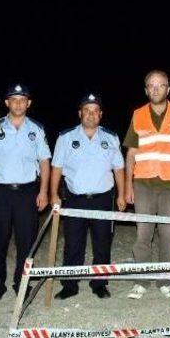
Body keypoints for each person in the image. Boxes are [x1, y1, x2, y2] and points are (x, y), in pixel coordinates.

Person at [0, 84, 51, 304]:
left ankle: (22, 285)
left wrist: (44, 191)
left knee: (26, 242)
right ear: (7, 103)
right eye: (13, 99)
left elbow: (44, 161)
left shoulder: (36, 129)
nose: (18, 103)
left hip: (27, 192)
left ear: (28, 103)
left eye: (22, 99)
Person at [123, 70, 170, 300]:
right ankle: (141, 280)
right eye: (151, 86)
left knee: (168, 235)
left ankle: (164, 280)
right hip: (143, 182)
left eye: (160, 85)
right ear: (146, 90)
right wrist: (127, 187)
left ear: (168, 89)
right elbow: (131, 153)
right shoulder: (138, 114)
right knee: (143, 233)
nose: (155, 89)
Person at [50, 94, 125, 299]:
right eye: (86, 110)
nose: (91, 114)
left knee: (102, 243)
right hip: (75, 198)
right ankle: (69, 285)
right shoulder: (65, 138)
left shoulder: (111, 137)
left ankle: (99, 283)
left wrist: (122, 194)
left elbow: (119, 168)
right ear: (80, 113)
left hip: (103, 199)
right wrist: (53, 194)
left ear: (100, 114)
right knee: (73, 243)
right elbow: (56, 167)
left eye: (95, 111)